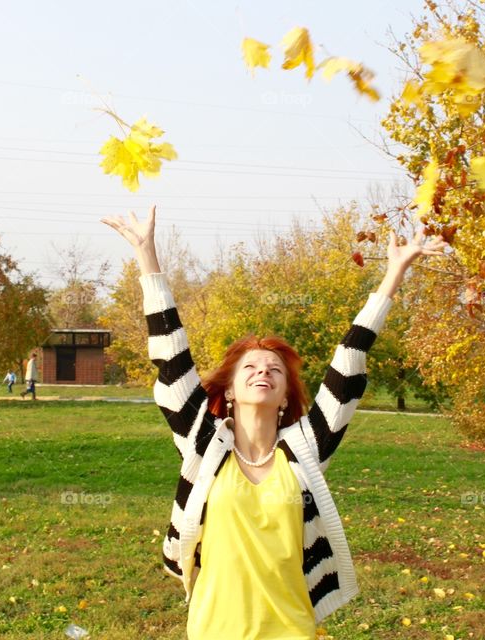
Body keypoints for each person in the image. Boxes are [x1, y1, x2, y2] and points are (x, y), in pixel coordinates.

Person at [101, 206, 448, 639]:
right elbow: (171, 357)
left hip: (291, 629)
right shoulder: (204, 442)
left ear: (285, 395)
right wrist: (146, 256)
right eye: (249, 367)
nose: (262, 372)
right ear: (229, 390)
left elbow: (348, 364)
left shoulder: (305, 448)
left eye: (274, 369)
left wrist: (393, 275)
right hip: (214, 629)